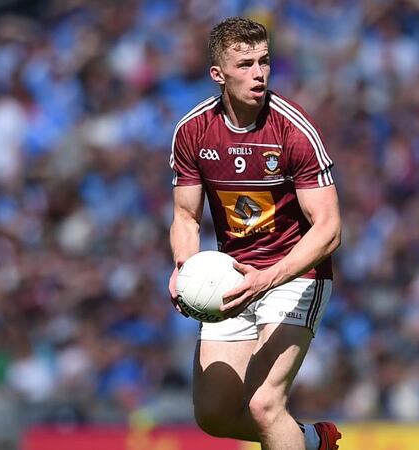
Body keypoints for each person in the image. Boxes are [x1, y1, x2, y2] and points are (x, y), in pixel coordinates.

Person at [167, 16, 342, 450]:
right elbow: (186, 218)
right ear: (218, 74)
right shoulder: (192, 132)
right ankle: (311, 441)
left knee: (265, 406)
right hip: (233, 276)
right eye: (244, 65)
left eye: (264, 61)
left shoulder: (293, 130)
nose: (259, 73)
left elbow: (330, 229)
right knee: (214, 415)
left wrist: (268, 276)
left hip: (295, 275)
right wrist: (184, 269)